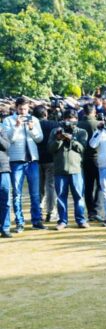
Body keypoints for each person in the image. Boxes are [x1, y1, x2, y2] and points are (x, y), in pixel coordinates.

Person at [2, 97, 45, 232]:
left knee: (35, 193)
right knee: (17, 193)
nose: (23, 112)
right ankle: (19, 222)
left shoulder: (34, 120)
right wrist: (17, 126)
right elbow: (9, 141)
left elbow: (39, 139)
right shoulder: (8, 121)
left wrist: (32, 129)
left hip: (32, 161)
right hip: (16, 161)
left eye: (25, 109)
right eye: (21, 109)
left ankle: (36, 220)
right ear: (16, 108)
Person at [48, 109, 89, 230]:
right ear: (63, 119)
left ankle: (81, 220)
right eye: (67, 119)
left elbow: (82, 148)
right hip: (60, 169)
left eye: (72, 119)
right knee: (61, 196)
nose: (69, 122)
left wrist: (72, 139)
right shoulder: (55, 131)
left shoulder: (81, 132)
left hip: (76, 169)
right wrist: (59, 139)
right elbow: (50, 149)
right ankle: (62, 221)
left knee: (79, 196)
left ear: (76, 119)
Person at [32, 105, 58, 223]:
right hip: (51, 158)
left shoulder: (32, 125)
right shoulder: (54, 124)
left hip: (36, 159)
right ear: (45, 114)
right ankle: (51, 212)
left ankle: (39, 212)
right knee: (51, 187)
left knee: (38, 188)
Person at [78, 104, 102, 222]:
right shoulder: (98, 124)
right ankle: (96, 209)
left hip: (84, 157)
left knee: (88, 186)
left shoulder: (79, 124)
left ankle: (91, 211)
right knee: (100, 185)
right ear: (94, 111)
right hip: (97, 156)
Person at [0, 128, 12, 238]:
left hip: (3, 169)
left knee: (5, 200)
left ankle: (5, 227)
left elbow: (6, 146)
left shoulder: (2, 131)